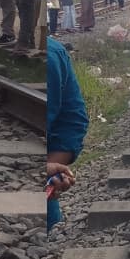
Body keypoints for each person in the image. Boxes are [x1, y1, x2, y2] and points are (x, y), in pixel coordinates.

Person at [47, 36, 89, 230]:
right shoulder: (53, 51)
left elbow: (71, 121)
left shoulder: (53, 53)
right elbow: (72, 121)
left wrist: (51, 169)